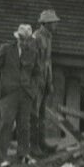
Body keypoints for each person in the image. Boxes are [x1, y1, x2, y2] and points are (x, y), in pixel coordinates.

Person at [0, 23, 41, 161]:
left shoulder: (33, 53)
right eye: (21, 39)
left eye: (27, 40)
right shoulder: (6, 49)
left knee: (24, 126)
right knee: (6, 123)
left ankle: (22, 155)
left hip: (26, 95)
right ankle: (1, 157)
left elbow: (36, 73)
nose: (24, 42)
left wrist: (32, 90)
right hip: (8, 93)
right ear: (17, 37)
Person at [30, 8, 60, 154]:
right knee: (33, 114)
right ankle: (33, 146)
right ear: (46, 23)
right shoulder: (36, 38)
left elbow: (48, 62)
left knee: (41, 115)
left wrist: (50, 81)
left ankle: (41, 144)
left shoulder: (48, 37)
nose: (56, 25)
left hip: (44, 81)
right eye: (54, 23)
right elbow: (31, 63)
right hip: (35, 82)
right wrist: (36, 81)